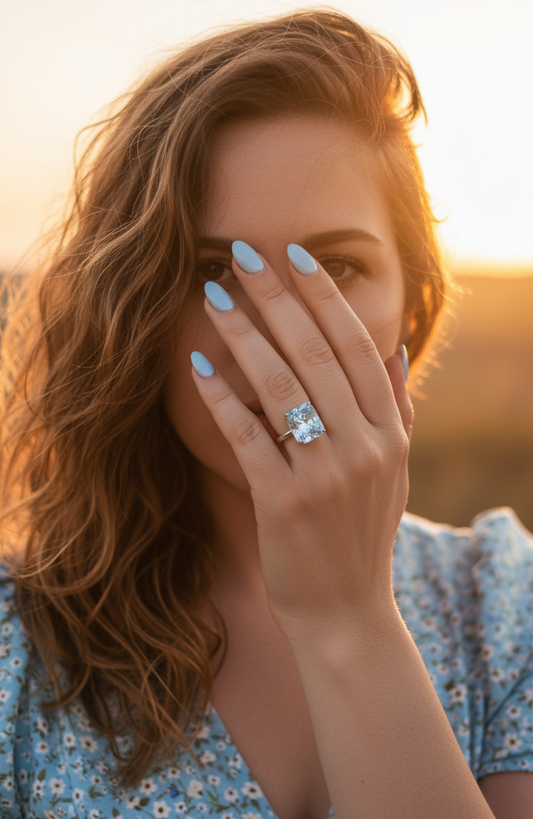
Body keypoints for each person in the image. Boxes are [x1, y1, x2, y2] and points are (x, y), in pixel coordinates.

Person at [0, 9, 532, 818]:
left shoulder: (502, 602)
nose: (276, 337)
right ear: (129, 313)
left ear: (414, 311)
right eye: (212, 269)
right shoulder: (16, 648)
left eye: (333, 265)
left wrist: (349, 618)